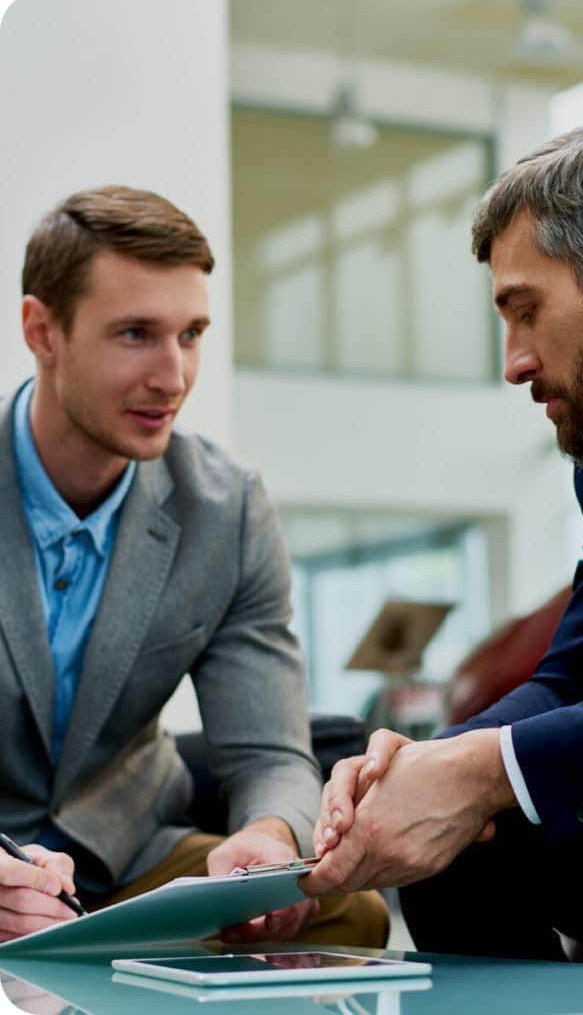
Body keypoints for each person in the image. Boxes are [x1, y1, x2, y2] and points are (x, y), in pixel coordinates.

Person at [303, 110, 583, 974]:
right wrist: (435, 765)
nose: (514, 363)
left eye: (528, 312)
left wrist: (494, 765)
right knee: (445, 840)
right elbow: (579, 669)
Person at [0, 185, 387, 947]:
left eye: (192, 334)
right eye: (137, 334)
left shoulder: (226, 511)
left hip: (127, 852)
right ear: (42, 331)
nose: (173, 377)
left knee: (348, 915)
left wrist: (268, 837)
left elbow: (270, 749)